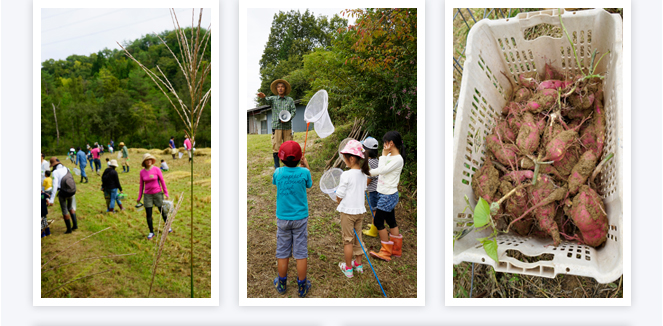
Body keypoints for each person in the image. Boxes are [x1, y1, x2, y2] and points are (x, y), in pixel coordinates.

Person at [271, 141, 312, 297]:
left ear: (281, 159)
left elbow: (275, 182)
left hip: (283, 219)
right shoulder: (304, 173)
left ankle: (282, 284)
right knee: (300, 252)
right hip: (300, 218)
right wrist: (305, 165)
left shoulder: (278, 173)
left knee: (283, 251)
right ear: (300, 157)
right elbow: (310, 185)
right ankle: (302, 287)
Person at [368, 131, 405, 262]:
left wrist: (383, 156)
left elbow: (382, 169)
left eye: (385, 142)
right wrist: (365, 172)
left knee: (378, 221)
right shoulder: (389, 156)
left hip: (388, 195)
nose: (383, 145)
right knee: (391, 221)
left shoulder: (398, 159)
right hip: (384, 194)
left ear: (391, 143)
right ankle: (396, 249)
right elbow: (379, 171)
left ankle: (385, 251)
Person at [335, 140, 370, 278]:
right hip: (360, 211)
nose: (344, 161)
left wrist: (337, 198)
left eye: (344, 158)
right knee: (358, 238)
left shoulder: (346, 175)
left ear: (351, 158)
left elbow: (339, 195)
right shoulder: (363, 174)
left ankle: (348, 268)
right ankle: (359, 265)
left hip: (348, 213)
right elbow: (363, 190)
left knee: (348, 240)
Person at [257, 79, 297, 169]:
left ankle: (287, 167)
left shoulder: (290, 100)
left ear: (285, 89)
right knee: (276, 147)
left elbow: (294, 111)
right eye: (278, 87)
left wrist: (289, 118)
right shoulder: (273, 99)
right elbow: (266, 100)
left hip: (287, 127)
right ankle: (277, 168)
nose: (280, 88)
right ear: (276, 89)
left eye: (282, 86)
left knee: (288, 147)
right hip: (276, 126)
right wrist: (263, 97)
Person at [137, 154, 170, 239]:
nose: (149, 161)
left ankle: (168, 227)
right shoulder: (142, 172)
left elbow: (162, 181)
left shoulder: (157, 169)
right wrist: (139, 197)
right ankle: (151, 232)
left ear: (152, 161)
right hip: (147, 195)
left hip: (157, 193)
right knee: (148, 214)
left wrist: (166, 193)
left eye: (150, 160)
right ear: (144, 162)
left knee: (162, 211)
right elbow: (141, 185)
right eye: (147, 160)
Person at [48, 157, 78, 234]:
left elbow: (54, 187)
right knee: (70, 207)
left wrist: (51, 200)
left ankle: (69, 230)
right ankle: (75, 225)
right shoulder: (67, 168)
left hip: (63, 193)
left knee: (65, 210)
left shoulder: (55, 172)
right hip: (71, 191)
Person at [361, 137, 380, 237]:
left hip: (374, 191)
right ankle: (374, 225)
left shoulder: (369, 163)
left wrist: (363, 186)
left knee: (374, 210)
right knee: (375, 209)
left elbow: (370, 177)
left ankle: (374, 230)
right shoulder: (376, 161)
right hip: (378, 189)